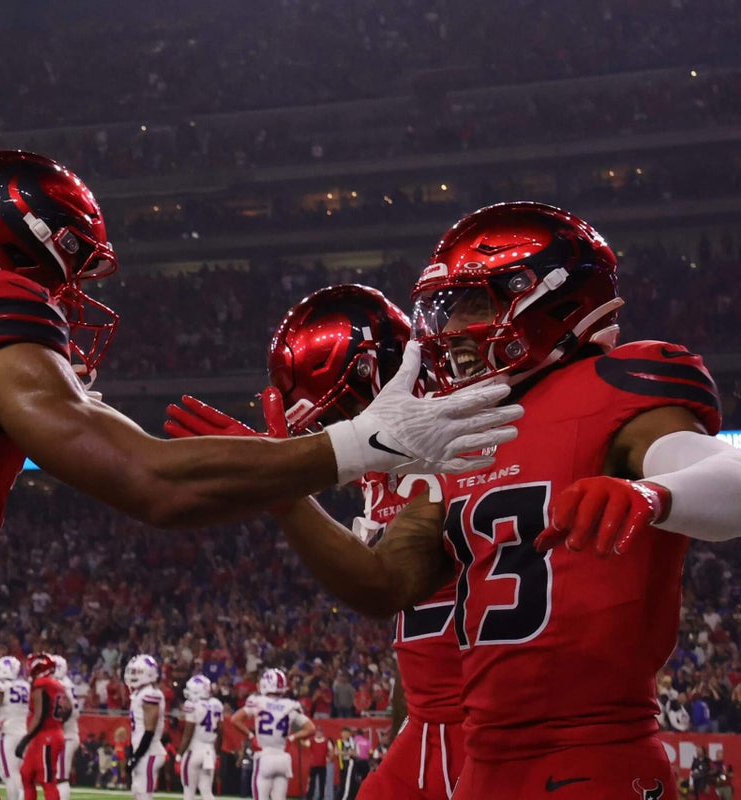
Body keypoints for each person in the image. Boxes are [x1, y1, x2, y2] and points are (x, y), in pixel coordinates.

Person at [0, 150, 520, 800]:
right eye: (65, 264)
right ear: (8, 244)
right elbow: (157, 484)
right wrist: (359, 444)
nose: (66, 291)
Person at [216, 202, 738, 798]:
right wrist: (284, 492)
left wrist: (653, 494)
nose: (451, 330)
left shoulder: (615, 387)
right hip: (488, 759)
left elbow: (730, 473)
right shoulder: (469, 427)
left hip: (594, 749)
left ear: (549, 297)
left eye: (472, 306)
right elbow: (383, 584)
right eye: (447, 310)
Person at [166, 285, 465, 800]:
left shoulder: (458, 437)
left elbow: (385, 588)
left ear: (374, 373)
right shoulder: (386, 473)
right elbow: (415, 629)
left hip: (494, 722)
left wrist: (281, 490)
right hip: (431, 723)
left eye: (339, 412)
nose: (332, 431)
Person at [230, 668, 316, 800]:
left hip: (264, 756)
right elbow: (311, 728)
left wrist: (251, 736)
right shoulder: (290, 705)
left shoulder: (258, 701)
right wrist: (292, 737)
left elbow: (235, 719)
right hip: (283, 759)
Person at [17, 653, 70, 800]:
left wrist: (25, 740)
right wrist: (57, 722)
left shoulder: (42, 683)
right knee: (26, 773)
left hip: (46, 736)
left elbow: (39, 715)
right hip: (45, 734)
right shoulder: (57, 684)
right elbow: (69, 708)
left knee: (47, 779)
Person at [125, 654, 166, 800]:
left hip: (150, 751)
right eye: (132, 672)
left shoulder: (150, 694)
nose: (133, 675)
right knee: (138, 792)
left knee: (144, 795)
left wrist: (136, 756)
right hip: (144, 751)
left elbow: (149, 730)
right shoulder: (139, 693)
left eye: (137, 672)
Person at [0, 655, 30, 800]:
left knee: (9, 774)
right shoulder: (26, 685)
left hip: (7, 732)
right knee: (17, 772)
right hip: (24, 732)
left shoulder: (1, 684)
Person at [177, 674, 223, 800]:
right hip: (209, 751)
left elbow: (188, 734)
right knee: (207, 792)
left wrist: (179, 755)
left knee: (189, 791)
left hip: (194, 750)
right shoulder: (217, 704)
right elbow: (220, 732)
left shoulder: (192, 704)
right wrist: (217, 754)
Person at [51, 654, 83, 799]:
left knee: (61, 776)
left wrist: (56, 722)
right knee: (57, 775)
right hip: (65, 734)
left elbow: (67, 709)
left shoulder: (61, 684)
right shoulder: (66, 683)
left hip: (67, 736)